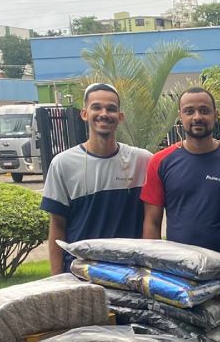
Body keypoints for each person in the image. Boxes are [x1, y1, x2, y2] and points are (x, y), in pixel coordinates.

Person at [42, 82, 151, 274]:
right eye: (96, 107)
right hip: (80, 274)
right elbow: (57, 226)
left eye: (111, 109)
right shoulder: (62, 164)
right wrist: (56, 279)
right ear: (84, 114)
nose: (104, 114)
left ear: (120, 117)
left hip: (130, 275)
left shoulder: (142, 161)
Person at [141, 85, 220, 257]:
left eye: (204, 111)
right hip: (179, 269)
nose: (197, 117)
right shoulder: (160, 162)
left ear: (216, 115)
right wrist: (154, 268)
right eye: (189, 111)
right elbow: (152, 222)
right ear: (180, 116)